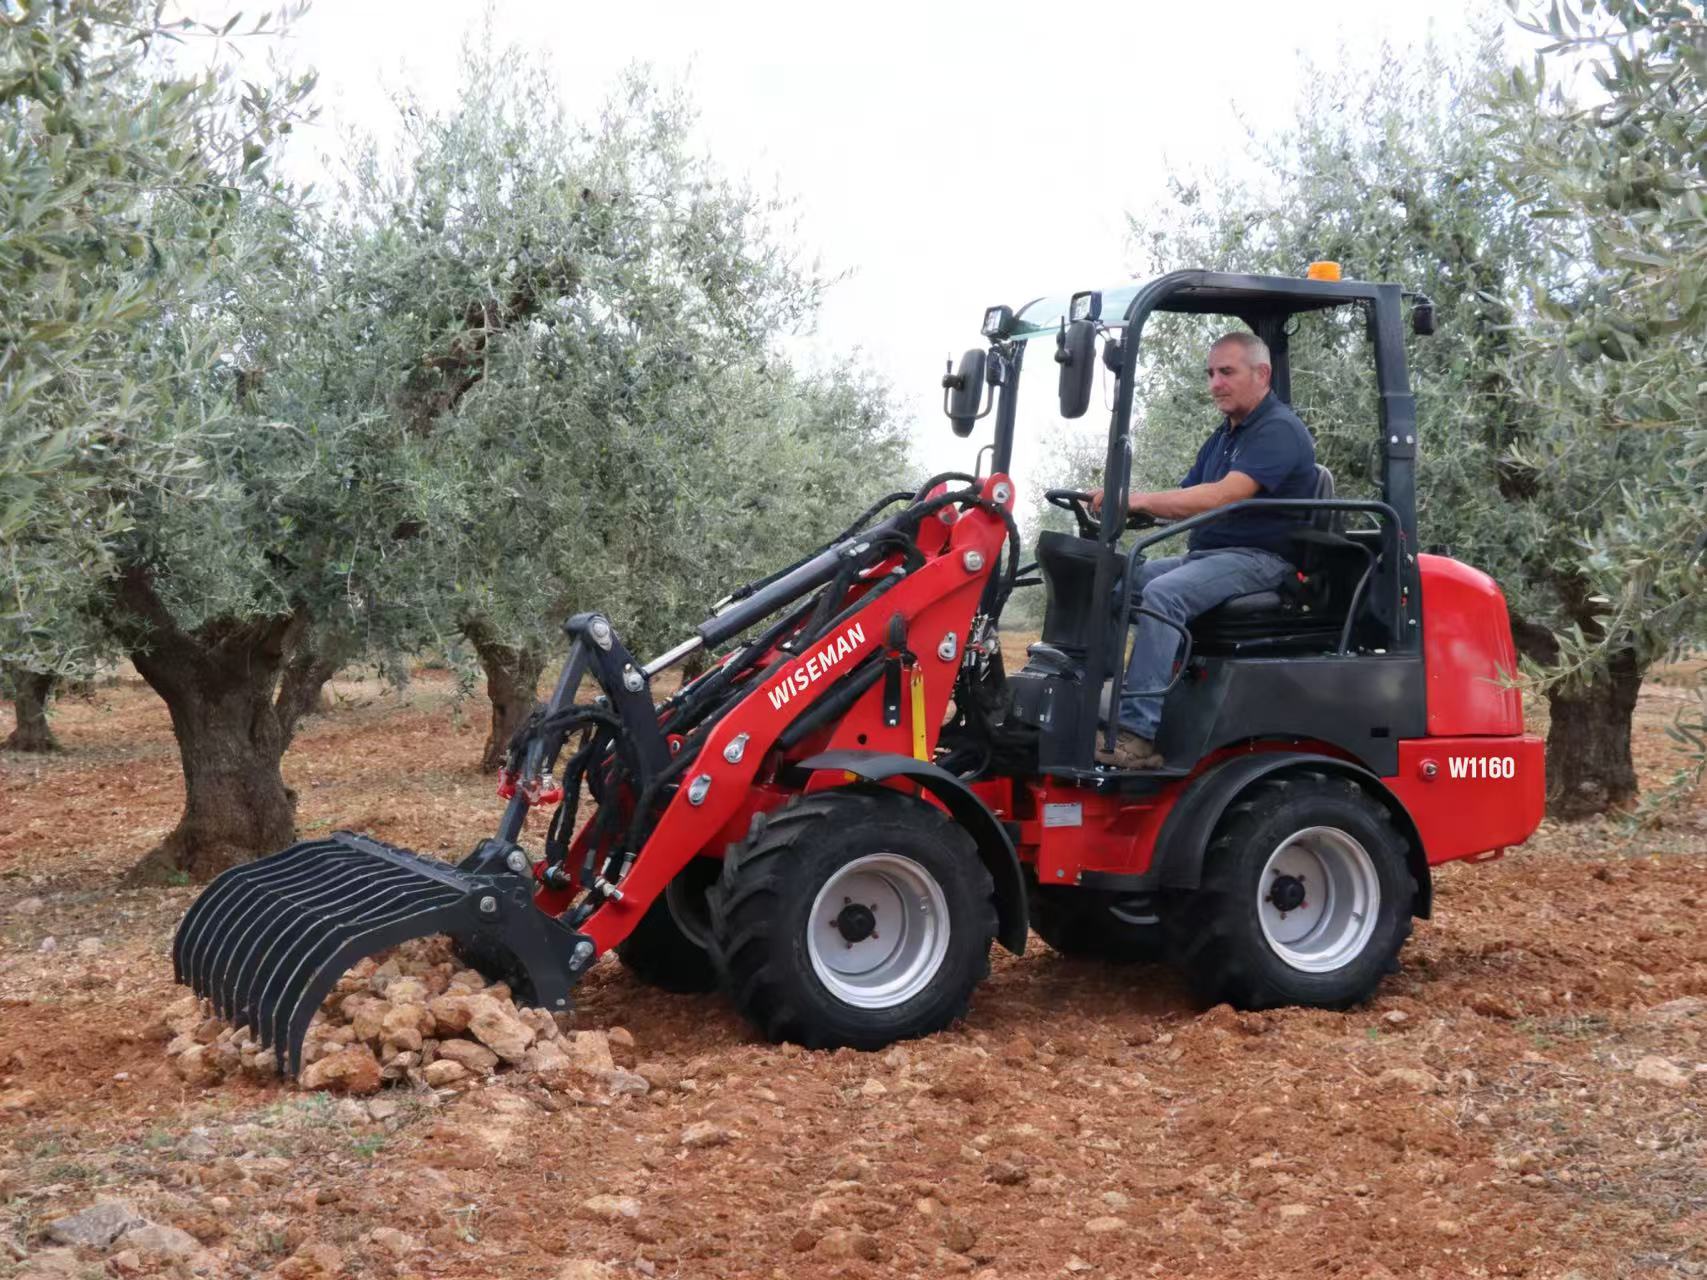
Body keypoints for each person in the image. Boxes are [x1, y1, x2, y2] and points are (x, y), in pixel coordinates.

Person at [1088, 330, 1317, 769]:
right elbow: (1188, 495)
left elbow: (1220, 497)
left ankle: (1136, 734)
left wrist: (1133, 499)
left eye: (1226, 372)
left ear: (1262, 373)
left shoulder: (1278, 430)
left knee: (1164, 595)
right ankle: (1100, 701)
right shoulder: (1226, 435)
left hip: (1261, 559)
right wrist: (1122, 503)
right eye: (1211, 373)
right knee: (1119, 584)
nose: (1215, 383)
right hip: (1213, 556)